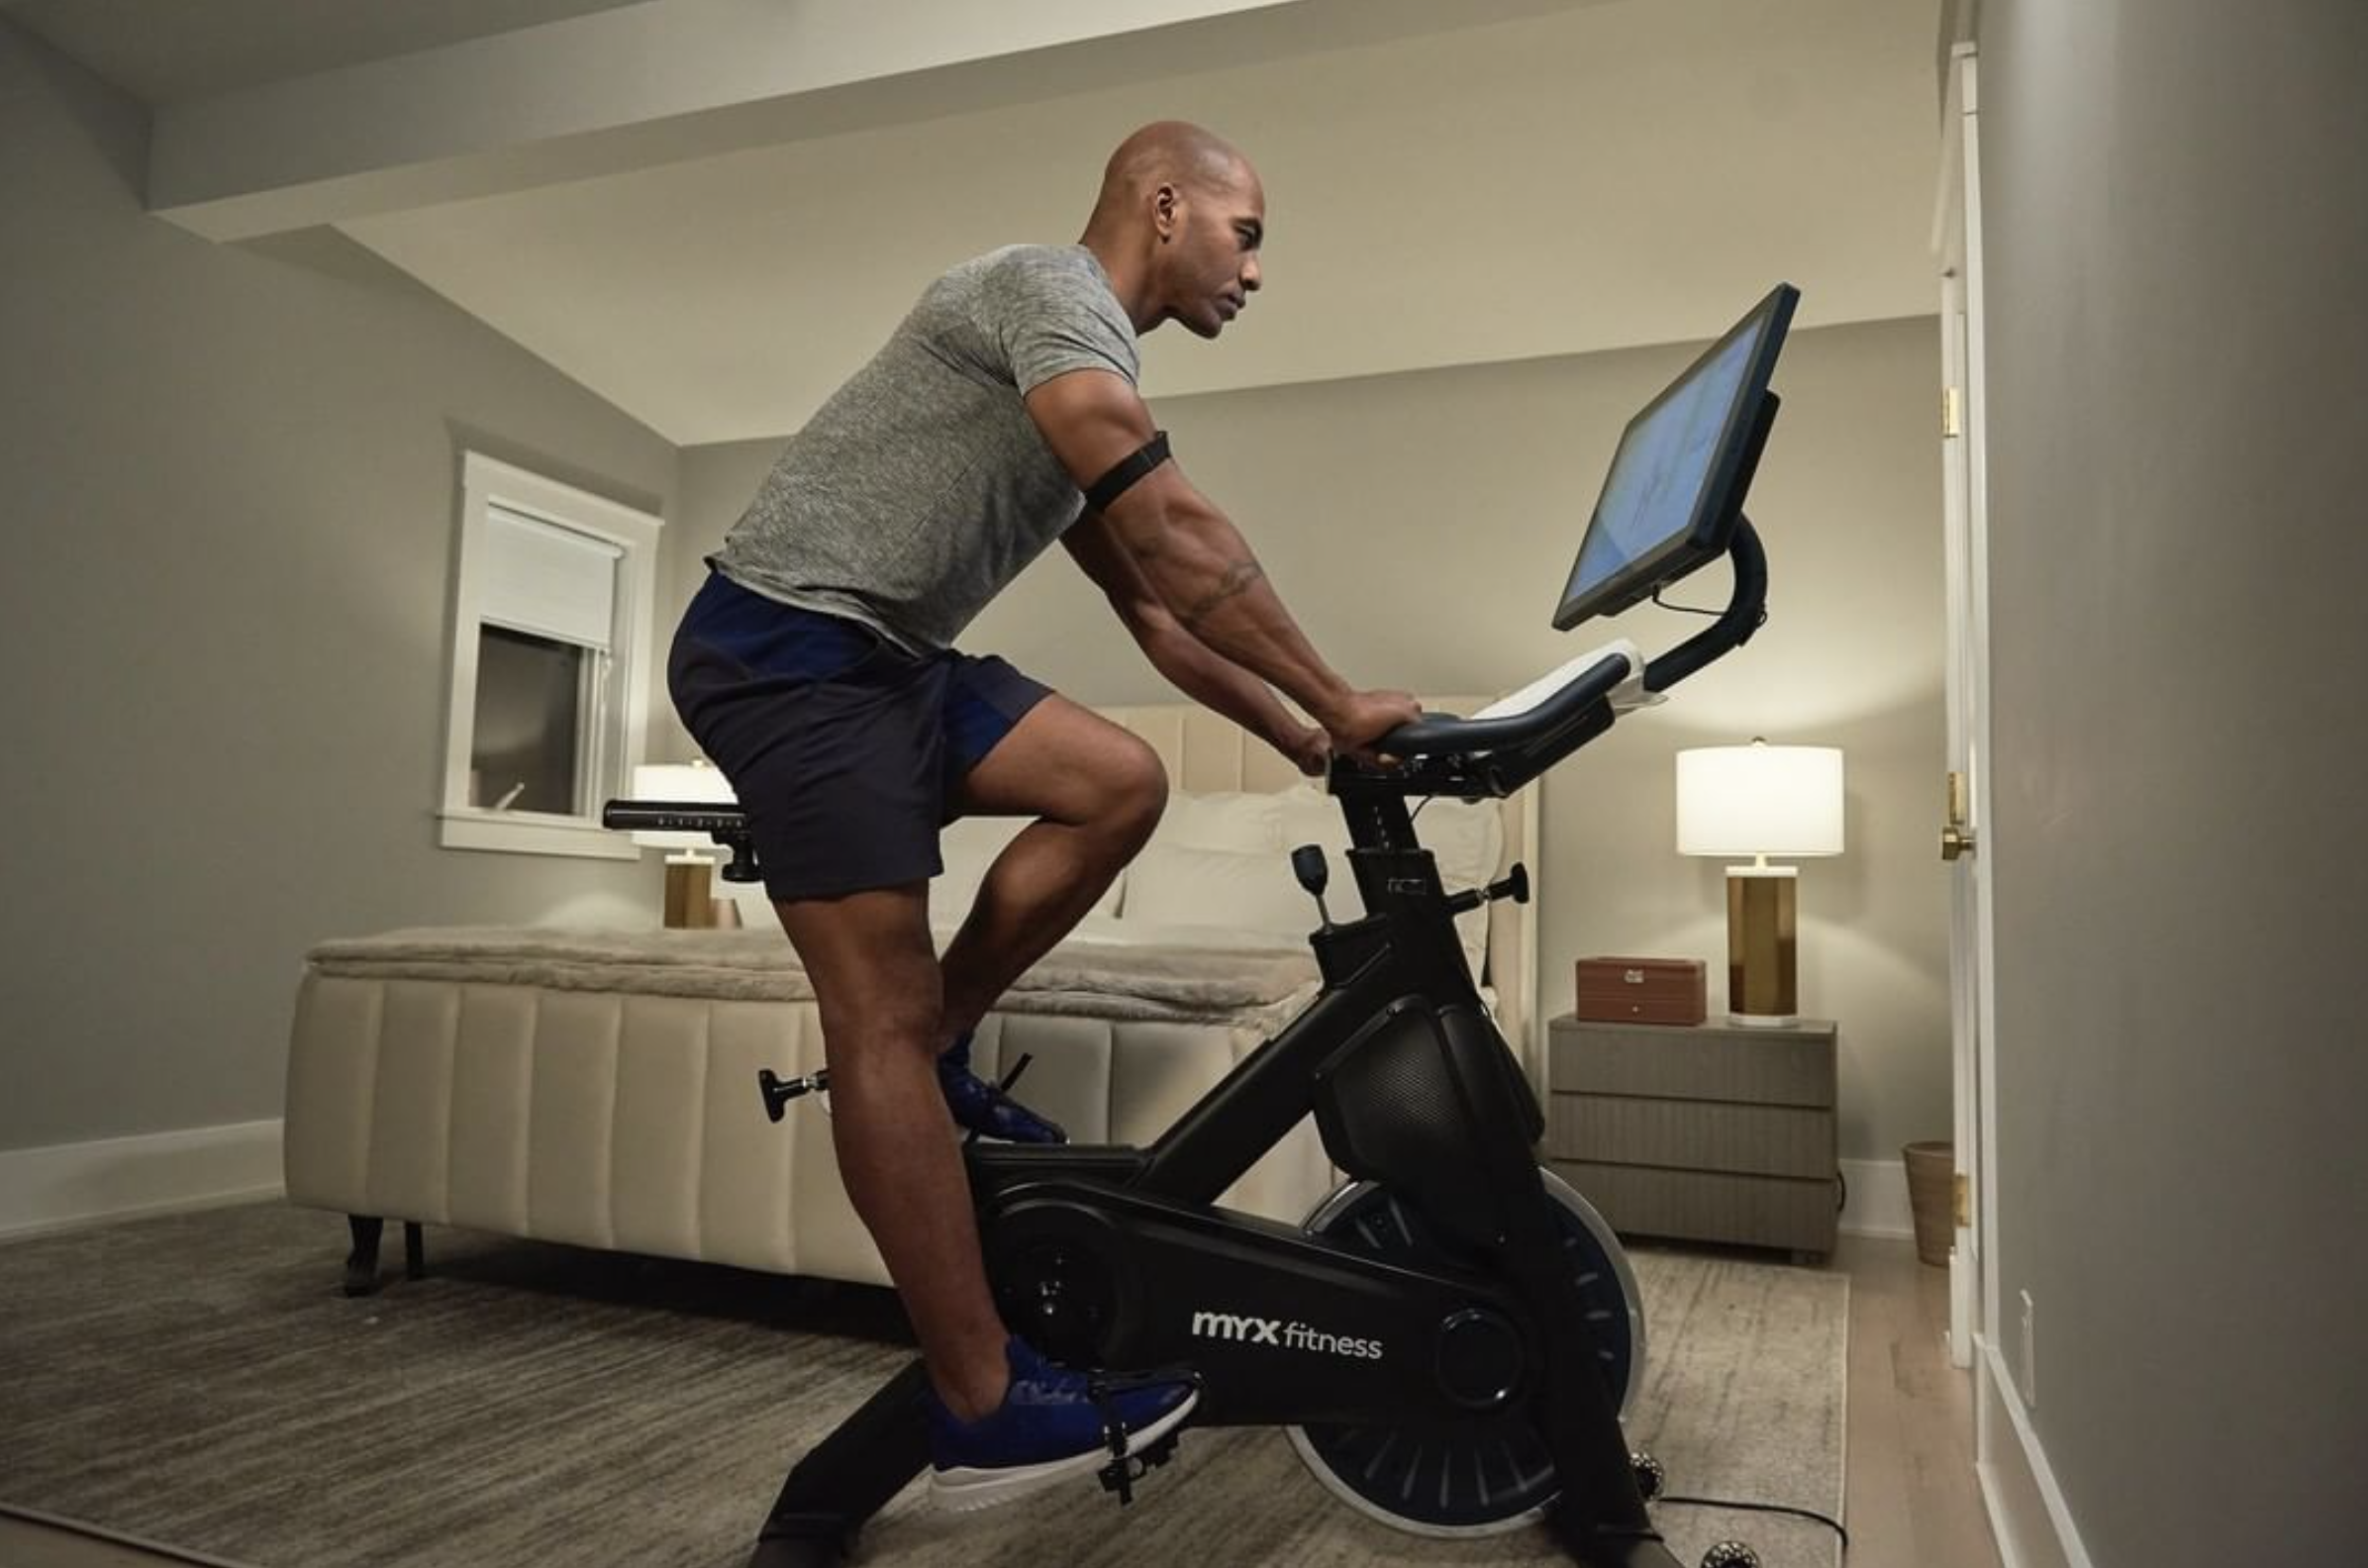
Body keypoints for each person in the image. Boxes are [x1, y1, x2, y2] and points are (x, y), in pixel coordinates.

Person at [666, 120, 1419, 1509]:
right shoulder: (1044, 297)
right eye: (1247, 236)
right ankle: (984, 1400)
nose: (1256, 272)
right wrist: (1339, 687)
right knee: (872, 1018)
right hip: (783, 647)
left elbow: (1156, 611)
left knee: (1116, 782)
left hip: (885, 656)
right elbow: (1177, 537)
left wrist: (1312, 739)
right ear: (1168, 202)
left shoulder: (1078, 376)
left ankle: (941, 1040)